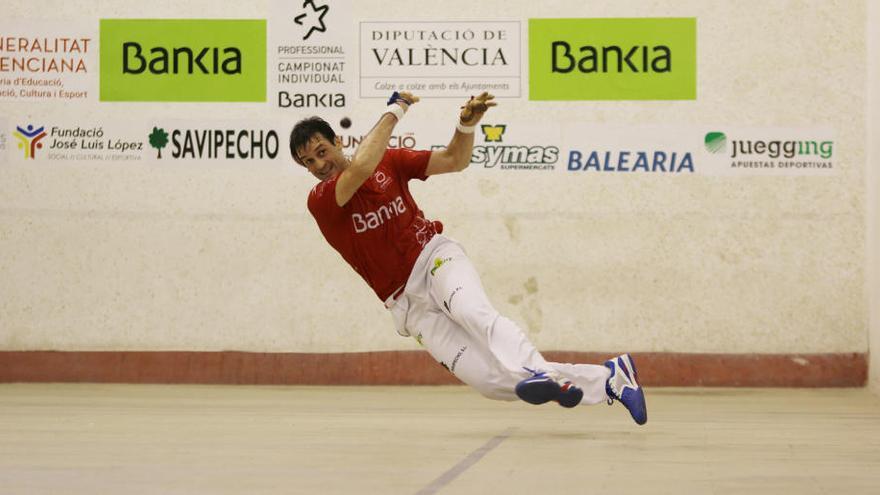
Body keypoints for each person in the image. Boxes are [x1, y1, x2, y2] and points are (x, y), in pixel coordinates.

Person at [289, 91, 647, 425]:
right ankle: (610, 378)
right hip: (407, 306)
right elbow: (359, 169)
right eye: (308, 162)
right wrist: (394, 108)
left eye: (322, 151)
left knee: (472, 313)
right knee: (493, 382)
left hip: (435, 259)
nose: (319, 164)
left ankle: (546, 374)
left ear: (338, 141)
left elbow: (454, 160)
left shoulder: (389, 160)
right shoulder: (321, 200)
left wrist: (466, 126)